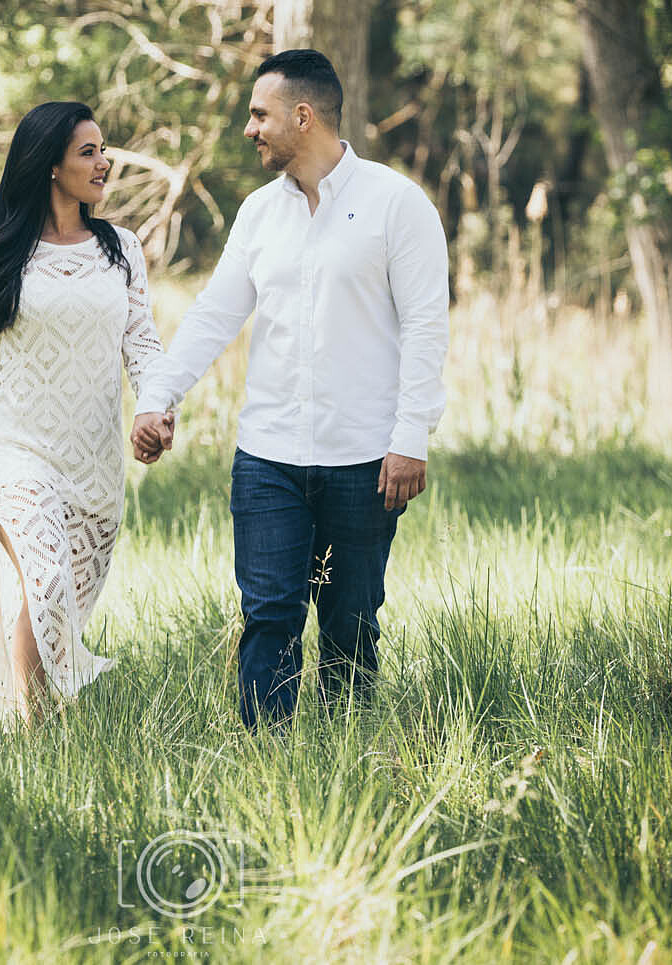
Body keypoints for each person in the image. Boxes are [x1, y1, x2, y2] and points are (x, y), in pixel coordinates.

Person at [131, 50, 449, 728]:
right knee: (269, 615)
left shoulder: (397, 205)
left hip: (365, 461)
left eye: (259, 114)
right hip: (269, 457)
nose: (250, 128)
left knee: (351, 627)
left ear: (302, 117)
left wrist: (410, 437)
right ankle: (265, 768)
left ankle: (343, 763)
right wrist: (159, 396)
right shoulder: (257, 214)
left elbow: (426, 326)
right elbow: (216, 314)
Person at [0, 101, 164, 729]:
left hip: (94, 464)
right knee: (44, 587)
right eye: (88, 152)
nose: (104, 162)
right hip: (17, 452)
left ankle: (33, 736)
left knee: (51, 606)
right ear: (50, 166)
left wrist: (154, 407)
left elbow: (143, 343)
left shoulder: (120, 250)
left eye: (104, 149)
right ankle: (38, 732)